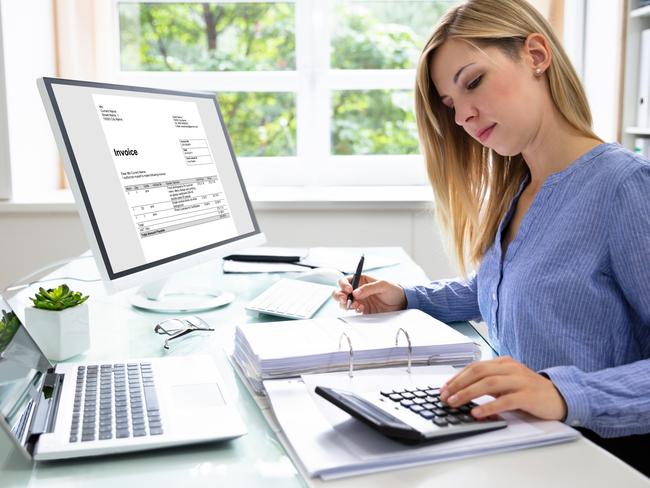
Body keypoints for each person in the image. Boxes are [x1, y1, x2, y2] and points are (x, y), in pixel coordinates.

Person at [333, 0, 650, 476]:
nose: (462, 116)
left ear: (537, 55)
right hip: (522, 445)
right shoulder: (519, 187)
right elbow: (508, 285)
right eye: (450, 105)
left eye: (473, 82)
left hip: (598, 460)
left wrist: (564, 392)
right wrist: (407, 297)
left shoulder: (625, 187)